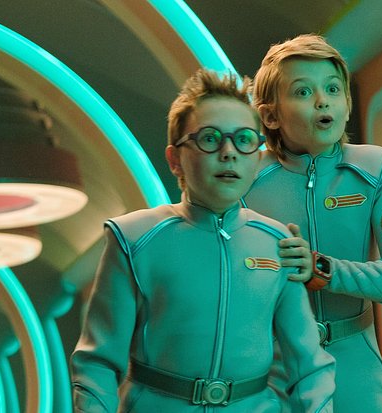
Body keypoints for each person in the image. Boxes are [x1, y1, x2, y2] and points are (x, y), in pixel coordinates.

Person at [70, 69, 336, 413]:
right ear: (175, 159)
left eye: (244, 140)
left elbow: (309, 366)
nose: (229, 152)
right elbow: (98, 364)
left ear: (257, 157)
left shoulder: (278, 242)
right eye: (210, 138)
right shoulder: (133, 239)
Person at [242, 34, 382, 412]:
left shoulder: (374, 170)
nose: (322, 100)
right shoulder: (244, 182)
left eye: (332, 89)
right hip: (274, 375)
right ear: (270, 115)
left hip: (356, 369)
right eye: (303, 91)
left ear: (347, 105)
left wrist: (322, 269)